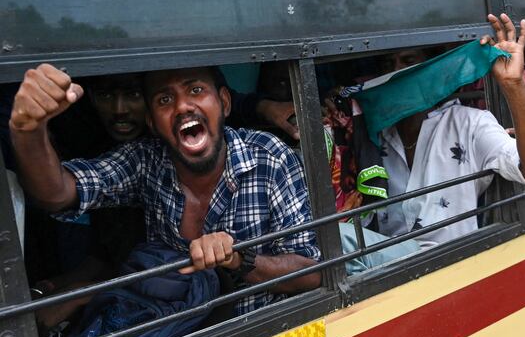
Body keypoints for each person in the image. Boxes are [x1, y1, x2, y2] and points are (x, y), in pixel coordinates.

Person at [9, 64, 321, 317]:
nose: (183, 106)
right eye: (164, 100)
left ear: (224, 103)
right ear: (152, 122)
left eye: (196, 90)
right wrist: (28, 131)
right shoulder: (147, 160)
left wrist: (238, 258)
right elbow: (58, 193)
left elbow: (312, 274)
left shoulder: (270, 157)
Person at [367, 14, 525, 245]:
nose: (397, 72)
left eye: (408, 61)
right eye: (388, 65)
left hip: (453, 266)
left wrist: (514, 86)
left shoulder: (469, 124)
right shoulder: (376, 135)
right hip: (386, 270)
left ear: (432, 69)